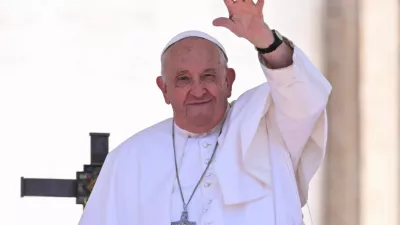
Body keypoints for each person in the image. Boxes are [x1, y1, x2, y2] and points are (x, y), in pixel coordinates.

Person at [78, 0, 332, 224]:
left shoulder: (268, 127)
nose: (198, 91)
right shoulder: (128, 160)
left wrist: (265, 40)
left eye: (209, 76)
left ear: (229, 81)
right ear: (164, 89)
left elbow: (305, 95)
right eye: (183, 79)